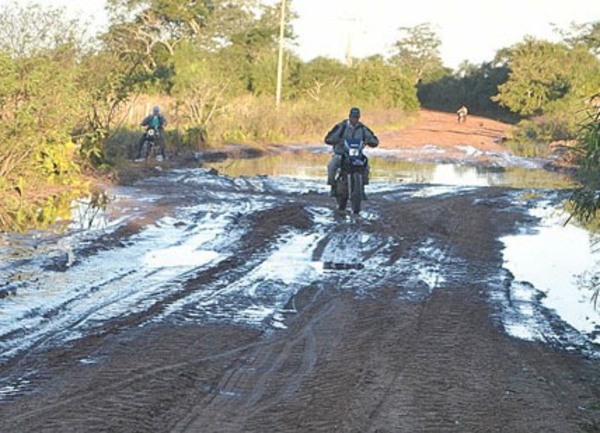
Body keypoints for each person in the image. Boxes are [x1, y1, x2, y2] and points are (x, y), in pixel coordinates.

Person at [324, 107, 379, 197]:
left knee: (366, 166)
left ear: (359, 117)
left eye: (357, 117)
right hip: (341, 153)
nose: (355, 119)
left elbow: (373, 139)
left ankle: (362, 188)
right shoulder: (341, 126)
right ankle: (333, 187)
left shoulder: (362, 128)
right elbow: (328, 138)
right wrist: (336, 140)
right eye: (353, 117)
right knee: (332, 166)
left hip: (357, 154)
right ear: (349, 116)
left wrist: (370, 141)